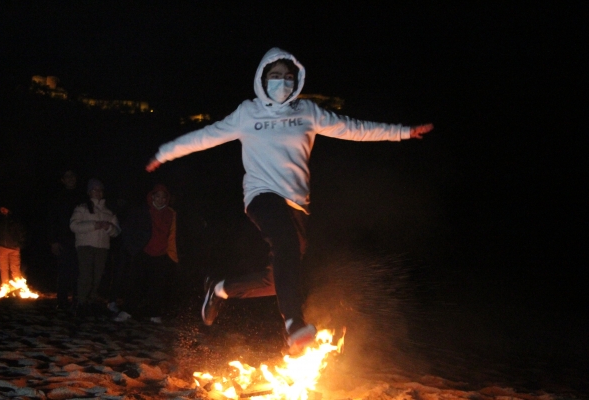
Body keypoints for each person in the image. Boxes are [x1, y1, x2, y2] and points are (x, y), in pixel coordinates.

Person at [145, 47, 434, 355]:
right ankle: (295, 324)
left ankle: (220, 288)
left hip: (297, 205)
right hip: (262, 196)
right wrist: (165, 152)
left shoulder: (307, 112)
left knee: (277, 279)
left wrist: (402, 132)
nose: (281, 82)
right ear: (262, 79)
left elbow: (355, 128)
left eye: (287, 77)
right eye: (274, 76)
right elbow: (204, 136)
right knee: (285, 245)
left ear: (296, 80)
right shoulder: (248, 113)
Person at [115, 184, 179, 323]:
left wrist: (172, 255)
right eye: (158, 196)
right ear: (152, 196)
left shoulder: (171, 214)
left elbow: (174, 235)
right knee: (135, 284)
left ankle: (154, 313)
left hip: (162, 254)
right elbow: (129, 229)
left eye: (163, 197)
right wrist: (132, 249)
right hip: (143, 252)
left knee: (157, 286)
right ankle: (127, 310)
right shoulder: (143, 211)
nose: (160, 199)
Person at [70, 178, 121, 315]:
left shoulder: (108, 212)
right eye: (94, 189)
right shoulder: (82, 208)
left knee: (98, 276)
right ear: (89, 192)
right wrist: (94, 225)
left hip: (102, 247)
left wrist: (108, 227)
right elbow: (74, 226)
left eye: (100, 190)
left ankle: (91, 301)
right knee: (86, 275)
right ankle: (80, 302)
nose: (97, 192)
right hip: (85, 246)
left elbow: (116, 231)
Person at [47, 169, 86, 310]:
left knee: (78, 271)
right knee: (63, 271)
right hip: (63, 239)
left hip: (80, 239)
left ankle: (77, 299)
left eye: (72, 176)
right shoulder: (57, 198)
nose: (70, 179)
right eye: (67, 176)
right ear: (63, 180)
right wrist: (53, 241)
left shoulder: (83, 197)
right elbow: (52, 220)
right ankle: (62, 301)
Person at [0, 205, 27, 298]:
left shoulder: (14, 220)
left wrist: (20, 244)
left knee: (15, 269)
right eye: (1, 208)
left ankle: (18, 288)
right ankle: (5, 287)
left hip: (14, 248)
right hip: (1, 247)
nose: (3, 210)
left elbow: (22, 232)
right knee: (3, 268)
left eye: (5, 208)